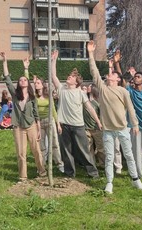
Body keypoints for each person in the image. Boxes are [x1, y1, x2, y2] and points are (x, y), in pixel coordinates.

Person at [89, 41, 142, 193]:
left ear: (117, 79)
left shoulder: (123, 91)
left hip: (122, 129)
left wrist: (134, 124)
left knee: (129, 155)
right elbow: (94, 72)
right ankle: (109, 183)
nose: (109, 74)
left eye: (112, 74)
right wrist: (90, 53)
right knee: (109, 157)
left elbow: (131, 108)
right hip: (108, 130)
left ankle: (135, 180)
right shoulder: (102, 89)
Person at [50, 50, 101, 179]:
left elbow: (90, 108)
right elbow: (53, 76)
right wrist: (53, 60)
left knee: (84, 151)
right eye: (69, 75)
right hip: (64, 126)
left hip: (78, 126)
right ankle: (69, 173)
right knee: (66, 151)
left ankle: (93, 173)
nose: (69, 77)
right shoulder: (61, 90)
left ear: (76, 82)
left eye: (72, 77)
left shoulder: (80, 93)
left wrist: (99, 122)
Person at [1, 52, 46, 182]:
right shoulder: (15, 95)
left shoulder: (32, 98)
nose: (22, 81)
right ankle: (23, 177)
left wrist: (38, 130)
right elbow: (7, 79)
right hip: (18, 127)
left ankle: (42, 172)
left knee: (36, 151)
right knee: (21, 153)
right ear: (19, 83)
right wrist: (5, 61)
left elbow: (36, 114)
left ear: (28, 83)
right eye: (20, 80)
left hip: (32, 126)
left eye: (24, 79)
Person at [33, 71, 64, 173]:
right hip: (39, 123)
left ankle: (59, 163)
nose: (36, 84)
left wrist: (57, 124)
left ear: (42, 85)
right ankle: (42, 166)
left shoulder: (48, 95)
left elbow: (53, 109)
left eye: (38, 83)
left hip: (49, 120)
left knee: (54, 143)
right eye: (35, 83)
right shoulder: (34, 96)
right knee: (41, 146)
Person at [84, 84, 105, 168]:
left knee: (100, 148)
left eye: (89, 86)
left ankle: (103, 164)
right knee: (89, 148)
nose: (88, 87)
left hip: (97, 128)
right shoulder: (85, 101)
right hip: (86, 128)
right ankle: (91, 164)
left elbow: (101, 115)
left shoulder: (97, 102)